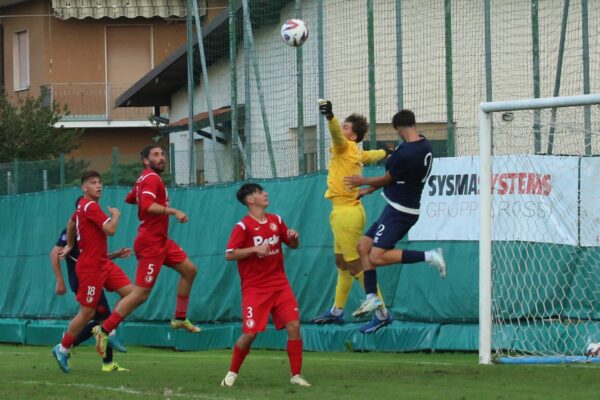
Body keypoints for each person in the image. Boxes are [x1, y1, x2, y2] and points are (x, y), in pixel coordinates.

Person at [93, 144, 200, 358]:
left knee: (190, 270)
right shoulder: (151, 178)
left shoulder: (145, 178)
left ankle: (179, 317)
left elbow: (130, 198)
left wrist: (142, 194)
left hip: (162, 241)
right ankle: (103, 329)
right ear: (145, 160)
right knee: (141, 295)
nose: (162, 158)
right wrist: (174, 211)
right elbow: (147, 206)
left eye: (162, 154)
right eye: (156, 155)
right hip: (151, 243)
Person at [344, 110, 446, 332]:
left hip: (401, 210)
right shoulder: (425, 145)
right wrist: (369, 190)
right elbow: (395, 179)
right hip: (396, 206)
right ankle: (377, 307)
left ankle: (430, 256)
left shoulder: (405, 152)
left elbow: (387, 178)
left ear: (398, 129)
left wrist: (363, 180)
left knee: (376, 257)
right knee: (363, 246)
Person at [310, 99, 391, 334]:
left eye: (347, 127)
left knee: (356, 265)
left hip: (347, 215)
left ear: (352, 136)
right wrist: (387, 151)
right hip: (342, 211)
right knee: (342, 264)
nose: (342, 130)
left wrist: (330, 117)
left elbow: (335, 135)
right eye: (343, 125)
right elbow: (373, 155)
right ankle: (336, 311)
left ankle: (382, 313)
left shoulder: (345, 146)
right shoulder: (356, 150)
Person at [221, 183, 310, 388]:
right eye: (260, 192)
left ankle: (296, 375)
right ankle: (232, 373)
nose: (266, 194)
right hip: (255, 288)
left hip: (280, 284)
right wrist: (253, 249)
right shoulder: (242, 226)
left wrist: (293, 237)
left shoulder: (276, 220)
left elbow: (293, 245)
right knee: (250, 333)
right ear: (250, 200)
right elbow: (229, 254)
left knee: (294, 326)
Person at [51, 171, 133, 373]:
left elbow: (71, 224)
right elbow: (111, 230)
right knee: (87, 312)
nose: (99, 186)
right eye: (93, 182)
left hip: (103, 263)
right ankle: (62, 348)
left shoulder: (81, 207)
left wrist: (70, 245)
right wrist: (115, 215)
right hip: (89, 268)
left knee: (133, 294)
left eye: (100, 182)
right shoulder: (89, 206)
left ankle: (106, 332)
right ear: (84, 188)